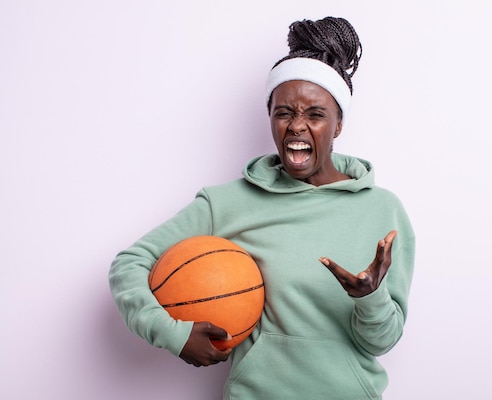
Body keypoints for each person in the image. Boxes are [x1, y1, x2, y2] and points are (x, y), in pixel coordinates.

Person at [109, 16, 415, 400]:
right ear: (270, 118)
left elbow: (381, 342)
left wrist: (370, 297)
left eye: (315, 114)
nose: (296, 126)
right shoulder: (227, 203)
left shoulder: (382, 211)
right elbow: (129, 264)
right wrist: (172, 333)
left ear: (337, 125)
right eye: (283, 112)